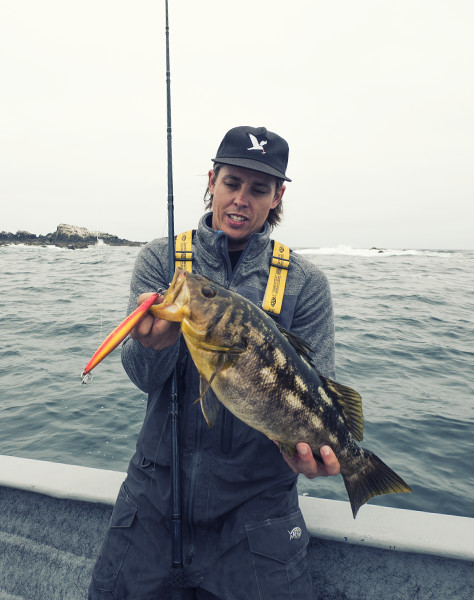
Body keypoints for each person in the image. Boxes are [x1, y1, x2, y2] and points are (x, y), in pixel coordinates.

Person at [89, 126, 339, 599]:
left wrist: (310, 453)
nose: (241, 200)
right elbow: (142, 379)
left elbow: (317, 391)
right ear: (211, 180)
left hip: (259, 507)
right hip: (153, 495)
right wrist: (152, 346)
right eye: (231, 183)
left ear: (277, 197)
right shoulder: (160, 261)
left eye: (258, 189)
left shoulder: (306, 283)